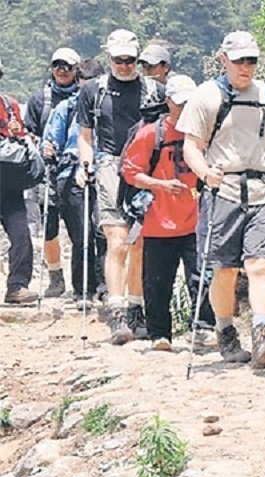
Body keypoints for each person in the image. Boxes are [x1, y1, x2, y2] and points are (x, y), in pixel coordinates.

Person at [179, 31, 265, 368]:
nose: (245, 67)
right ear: (223, 60)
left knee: (259, 265)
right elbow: (191, 146)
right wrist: (205, 173)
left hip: (262, 192)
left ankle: (262, 332)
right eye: (239, 61)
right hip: (223, 192)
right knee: (225, 270)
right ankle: (225, 330)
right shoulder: (207, 96)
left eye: (251, 60)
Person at [76, 29, 161, 344]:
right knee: (117, 240)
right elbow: (86, 135)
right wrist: (86, 166)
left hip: (145, 168)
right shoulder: (93, 91)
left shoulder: (153, 90)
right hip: (110, 164)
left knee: (139, 243)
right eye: (118, 60)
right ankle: (117, 310)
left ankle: (137, 309)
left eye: (130, 60)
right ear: (108, 57)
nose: (124, 65)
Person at [121, 75, 214, 351]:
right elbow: (130, 172)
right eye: (180, 103)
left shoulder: (203, 132)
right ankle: (159, 334)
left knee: (201, 275)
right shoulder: (151, 133)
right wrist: (160, 184)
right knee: (158, 281)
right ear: (168, 102)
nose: (185, 109)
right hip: (157, 221)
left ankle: (204, 327)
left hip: (195, 219)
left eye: (190, 103)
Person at [42, 59, 106, 310]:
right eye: (84, 84)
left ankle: (105, 288)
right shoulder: (66, 109)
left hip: (104, 173)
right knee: (82, 235)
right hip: (70, 175)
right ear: (78, 84)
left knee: (104, 232)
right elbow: (49, 142)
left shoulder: (108, 108)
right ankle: (83, 290)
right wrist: (48, 149)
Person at [24, 47, 81, 299]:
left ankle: (82, 281)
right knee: (49, 226)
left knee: (78, 227)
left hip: (74, 170)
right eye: (57, 65)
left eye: (67, 66)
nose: (62, 70)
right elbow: (27, 133)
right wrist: (41, 144)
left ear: (76, 70)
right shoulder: (40, 100)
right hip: (46, 171)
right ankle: (55, 277)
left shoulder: (85, 97)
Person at [0, 59, 37, 304]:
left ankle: (17, 286)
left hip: (8, 182)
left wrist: (16, 131)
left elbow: (23, 138)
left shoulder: (9, 104)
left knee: (21, 234)